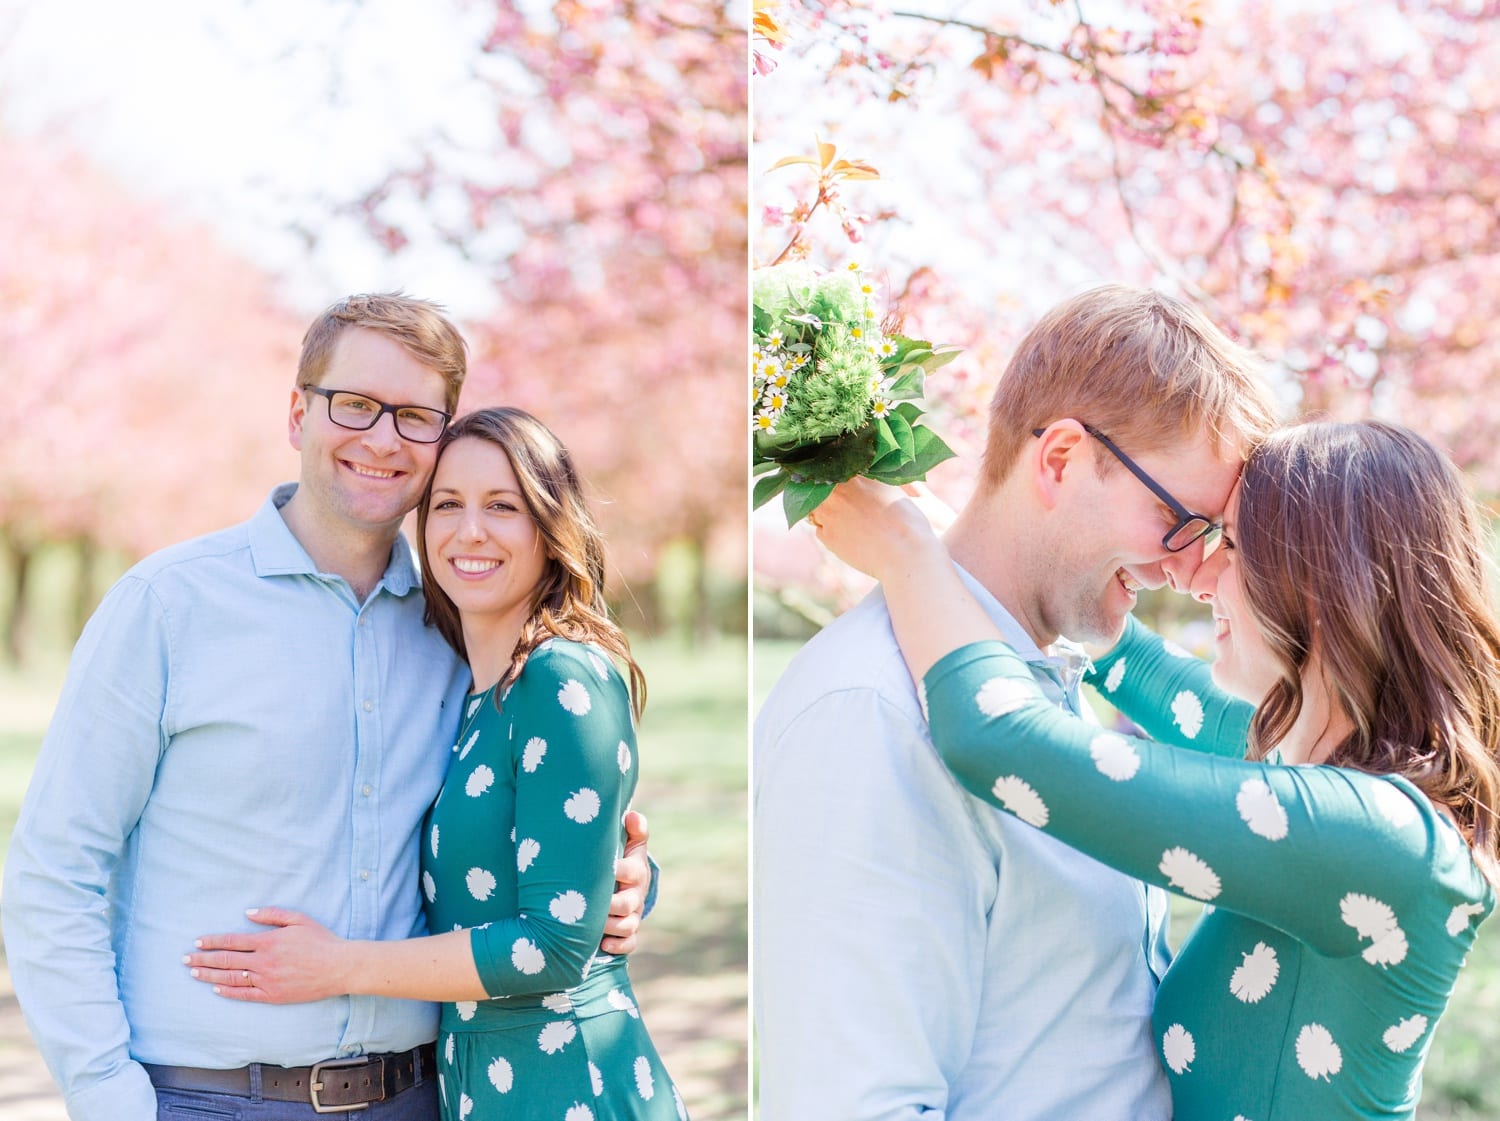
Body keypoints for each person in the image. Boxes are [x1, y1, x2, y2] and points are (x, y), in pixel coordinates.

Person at [1, 294, 652, 1121]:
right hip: (205, 1098)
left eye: (416, 416)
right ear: (298, 413)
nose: (383, 439)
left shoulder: (459, 624)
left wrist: (625, 884)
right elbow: (57, 864)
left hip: (421, 1094)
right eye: (355, 404)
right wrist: (105, 1096)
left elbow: (536, 819)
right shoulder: (169, 606)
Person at [811, 419, 1499, 1120]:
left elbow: (1000, 738)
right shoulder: (1324, 781)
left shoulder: (1376, 839)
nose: (1196, 574)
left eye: (1229, 544)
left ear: (1322, 580)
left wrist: (908, 556)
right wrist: (985, 555)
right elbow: (1145, 671)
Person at [753, 285, 1281, 1120]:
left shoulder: (1050, 682)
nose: (1192, 569)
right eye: (1180, 519)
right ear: (1061, 459)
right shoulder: (874, 712)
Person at [181, 407, 687, 1121]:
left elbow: (554, 945)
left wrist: (340, 965)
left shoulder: (560, 677)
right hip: (479, 1082)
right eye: (447, 504)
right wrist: (631, 874)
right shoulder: (474, 693)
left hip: (567, 1082)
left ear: (549, 526)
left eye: (503, 506)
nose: (469, 530)